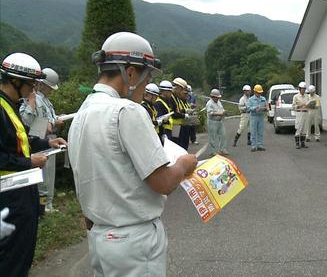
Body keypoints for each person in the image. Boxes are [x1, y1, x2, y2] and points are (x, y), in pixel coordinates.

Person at [68, 32, 197, 277]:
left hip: (99, 236)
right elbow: (163, 183)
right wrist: (183, 164)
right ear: (130, 73)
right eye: (147, 76)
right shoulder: (127, 111)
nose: (147, 85)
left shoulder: (83, 111)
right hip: (133, 241)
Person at [0, 52, 67, 276]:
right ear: (16, 81)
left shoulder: (9, 105)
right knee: (11, 257)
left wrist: (47, 142)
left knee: (23, 251)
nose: (34, 90)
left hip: (21, 191)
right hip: (8, 196)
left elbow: (21, 140)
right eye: (31, 84)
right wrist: (29, 162)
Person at [19, 67, 65, 212]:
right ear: (41, 85)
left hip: (47, 141)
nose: (52, 90)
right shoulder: (32, 100)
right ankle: (43, 207)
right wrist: (51, 124)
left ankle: (47, 205)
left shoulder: (44, 100)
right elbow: (28, 123)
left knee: (49, 176)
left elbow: (46, 119)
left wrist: (54, 121)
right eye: (50, 87)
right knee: (43, 178)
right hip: (38, 141)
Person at [205, 89, 229, 156]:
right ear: (213, 97)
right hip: (212, 121)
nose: (218, 98)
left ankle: (222, 149)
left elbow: (222, 109)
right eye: (216, 97)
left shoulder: (219, 102)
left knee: (223, 135)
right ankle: (213, 151)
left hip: (220, 121)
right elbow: (210, 113)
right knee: (212, 137)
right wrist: (220, 113)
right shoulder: (209, 103)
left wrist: (224, 112)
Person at [171, 78, 190, 149]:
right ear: (178, 87)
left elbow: (178, 110)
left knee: (181, 144)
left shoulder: (176, 98)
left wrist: (183, 111)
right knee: (176, 145)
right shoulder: (171, 98)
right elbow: (173, 113)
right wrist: (184, 115)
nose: (181, 92)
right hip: (174, 126)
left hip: (177, 125)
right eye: (181, 90)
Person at [247, 84, 267, 151]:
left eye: (260, 92)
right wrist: (255, 108)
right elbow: (248, 108)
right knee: (253, 132)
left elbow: (266, 106)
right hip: (254, 116)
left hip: (261, 116)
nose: (259, 94)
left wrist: (265, 108)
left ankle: (260, 145)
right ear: (255, 92)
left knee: (260, 132)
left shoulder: (263, 99)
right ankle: (253, 146)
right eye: (258, 92)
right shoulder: (250, 99)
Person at [292, 81, 310, 149]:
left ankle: (303, 143)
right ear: (299, 89)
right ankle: (297, 143)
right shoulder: (296, 96)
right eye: (302, 89)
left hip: (306, 112)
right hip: (299, 113)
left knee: (305, 129)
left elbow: (309, 103)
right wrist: (299, 105)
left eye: (304, 89)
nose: (304, 90)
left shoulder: (307, 96)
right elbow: (293, 106)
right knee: (299, 128)